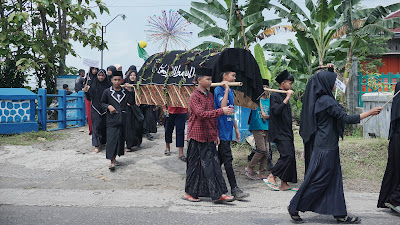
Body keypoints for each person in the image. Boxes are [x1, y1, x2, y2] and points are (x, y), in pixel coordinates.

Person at [288, 70, 382, 223]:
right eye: (333, 81)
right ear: (326, 83)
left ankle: (339, 214)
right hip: (326, 147)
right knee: (320, 180)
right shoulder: (326, 101)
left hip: (326, 144)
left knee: (333, 180)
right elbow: (346, 118)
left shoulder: (321, 99)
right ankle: (295, 206)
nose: (335, 84)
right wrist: (370, 112)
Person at [184, 67, 235, 203]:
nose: (210, 81)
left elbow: (212, 117)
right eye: (208, 79)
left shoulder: (210, 95)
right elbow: (201, 114)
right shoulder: (195, 96)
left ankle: (218, 194)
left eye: (211, 79)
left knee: (214, 165)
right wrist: (221, 111)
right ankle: (189, 193)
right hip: (196, 136)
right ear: (199, 80)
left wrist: (216, 133)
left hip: (209, 136)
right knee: (194, 167)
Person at [214, 64, 249, 200]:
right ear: (225, 76)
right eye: (232, 75)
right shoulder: (218, 90)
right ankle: (234, 189)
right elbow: (222, 108)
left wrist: (236, 129)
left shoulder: (231, 92)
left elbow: (231, 111)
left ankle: (207, 181)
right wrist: (227, 90)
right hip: (221, 130)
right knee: (228, 160)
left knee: (219, 160)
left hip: (228, 130)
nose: (234, 78)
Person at [265, 70, 298, 192]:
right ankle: (272, 175)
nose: (291, 86)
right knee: (286, 156)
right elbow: (276, 111)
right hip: (279, 132)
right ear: (283, 83)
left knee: (291, 157)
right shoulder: (275, 95)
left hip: (287, 131)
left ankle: (284, 183)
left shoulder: (284, 95)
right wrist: (287, 98)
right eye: (290, 83)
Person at [301, 63, 335, 174]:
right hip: (314, 128)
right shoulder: (317, 91)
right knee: (313, 156)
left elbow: (329, 82)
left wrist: (331, 70)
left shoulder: (317, 89)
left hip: (314, 127)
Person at [100, 70, 134, 171]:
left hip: (123, 119)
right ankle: (112, 161)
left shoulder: (125, 92)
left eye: (119, 80)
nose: (117, 82)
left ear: (122, 80)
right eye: (115, 80)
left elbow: (131, 102)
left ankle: (115, 158)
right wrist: (108, 106)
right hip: (111, 120)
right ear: (111, 80)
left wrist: (130, 92)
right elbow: (102, 103)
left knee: (119, 140)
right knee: (111, 140)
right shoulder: (107, 92)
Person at [378, 82, 400, 214]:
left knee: (395, 170)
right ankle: (395, 199)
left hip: (396, 140)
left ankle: (390, 199)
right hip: (398, 139)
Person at [245, 79, 270, 180]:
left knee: (267, 151)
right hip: (257, 126)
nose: (266, 89)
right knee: (261, 149)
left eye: (267, 87)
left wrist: (267, 116)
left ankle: (261, 172)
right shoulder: (255, 100)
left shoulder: (270, 101)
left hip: (267, 127)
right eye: (264, 87)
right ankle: (250, 167)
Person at [83, 69, 111, 153]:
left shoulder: (108, 85)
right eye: (99, 75)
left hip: (105, 108)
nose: (101, 77)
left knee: (105, 126)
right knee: (96, 126)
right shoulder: (92, 85)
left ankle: (103, 142)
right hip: (95, 108)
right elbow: (89, 98)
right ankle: (96, 145)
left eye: (102, 75)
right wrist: (86, 91)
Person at [124, 70, 143, 151]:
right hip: (128, 110)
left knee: (137, 126)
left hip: (137, 109)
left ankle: (137, 142)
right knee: (129, 127)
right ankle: (129, 145)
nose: (132, 76)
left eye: (134, 75)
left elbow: (142, 96)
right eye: (131, 75)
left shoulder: (139, 86)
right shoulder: (124, 86)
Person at [84, 67, 99, 135]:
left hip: (97, 98)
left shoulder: (99, 77)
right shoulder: (88, 77)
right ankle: (91, 130)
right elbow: (83, 86)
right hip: (88, 98)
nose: (94, 71)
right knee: (89, 115)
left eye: (96, 69)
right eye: (93, 69)